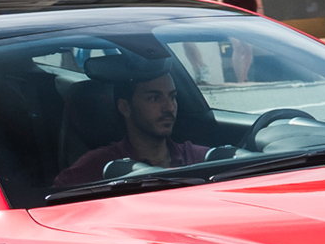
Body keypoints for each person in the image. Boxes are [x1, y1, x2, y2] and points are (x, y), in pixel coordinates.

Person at [52, 66, 213, 187]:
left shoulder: (197, 158)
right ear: (125, 108)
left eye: (172, 97)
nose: (169, 108)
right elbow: (52, 204)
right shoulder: (97, 167)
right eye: (154, 98)